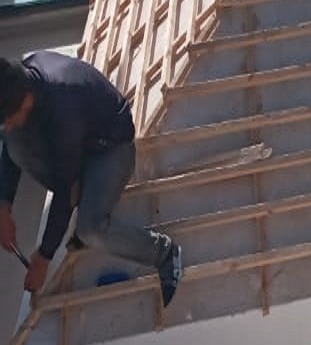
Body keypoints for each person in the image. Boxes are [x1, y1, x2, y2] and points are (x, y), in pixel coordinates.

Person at [0, 51, 182, 305]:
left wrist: (44, 256)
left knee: (90, 230)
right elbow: (10, 145)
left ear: (26, 101)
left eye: (8, 120)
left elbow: (63, 188)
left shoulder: (64, 103)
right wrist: (4, 205)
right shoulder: (20, 80)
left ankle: (164, 252)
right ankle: (85, 195)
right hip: (77, 144)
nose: (7, 126)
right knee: (15, 145)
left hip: (111, 149)